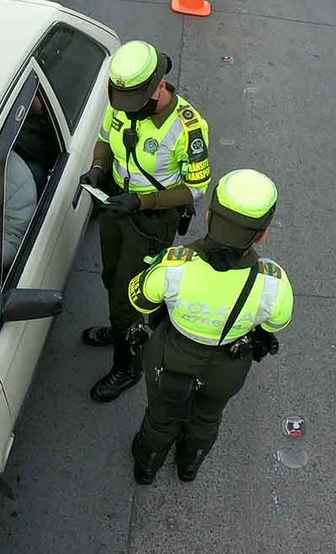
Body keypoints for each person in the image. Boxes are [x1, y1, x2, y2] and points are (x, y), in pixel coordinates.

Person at [126, 169, 293, 485]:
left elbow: (141, 302)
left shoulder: (174, 265)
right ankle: (188, 467)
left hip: (171, 358)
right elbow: (276, 322)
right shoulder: (273, 282)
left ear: (208, 218)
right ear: (262, 235)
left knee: (161, 418)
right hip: (228, 365)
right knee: (207, 419)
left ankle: (146, 468)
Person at [78, 40, 212, 403]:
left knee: (131, 293)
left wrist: (142, 201)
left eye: (136, 104)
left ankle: (128, 365)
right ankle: (119, 327)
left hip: (151, 221)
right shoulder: (123, 102)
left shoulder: (188, 128)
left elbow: (196, 187)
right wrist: (98, 169)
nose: (128, 111)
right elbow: (105, 139)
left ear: (159, 86)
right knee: (111, 277)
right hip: (115, 207)